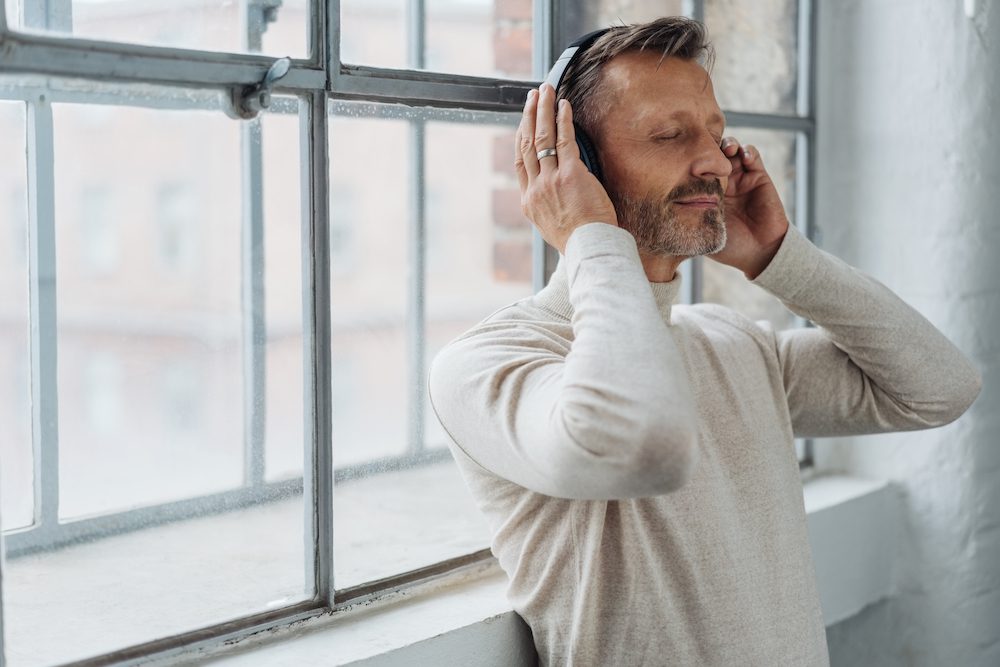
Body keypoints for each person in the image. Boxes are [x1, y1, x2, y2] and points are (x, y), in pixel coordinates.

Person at [427, 16, 981, 667]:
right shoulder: (486, 363)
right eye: (669, 135)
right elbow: (641, 441)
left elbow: (940, 388)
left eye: (717, 134)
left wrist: (781, 256)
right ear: (576, 160)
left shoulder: (734, 343)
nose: (715, 162)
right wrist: (586, 234)